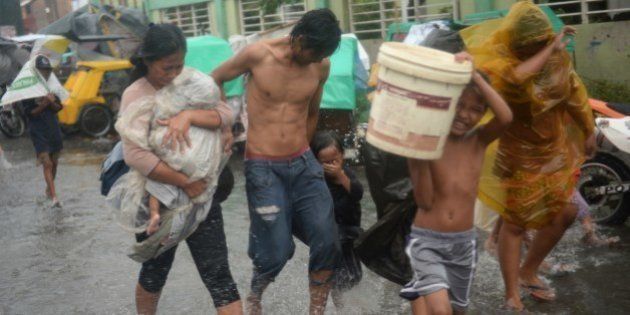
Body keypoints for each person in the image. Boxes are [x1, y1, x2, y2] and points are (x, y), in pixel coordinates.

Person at [463, 1, 596, 310]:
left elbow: (573, 91)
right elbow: (514, 80)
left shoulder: (556, 59)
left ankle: (529, 269)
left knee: (565, 213)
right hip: (517, 155)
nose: (536, 46)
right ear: (516, 41)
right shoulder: (502, 62)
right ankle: (511, 292)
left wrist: (587, 129)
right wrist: (549, 49)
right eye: (531, 43)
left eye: (540, 41)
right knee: (515, 223)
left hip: (553, 152)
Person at [212, 9, 342, 315]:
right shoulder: (258, 55)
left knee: (327, 240)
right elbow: (215, 78)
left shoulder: (320, 65)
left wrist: (307, 153)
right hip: (263, 167)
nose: (314, 59)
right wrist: (225, 127)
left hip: (303, 163)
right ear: (300, 37)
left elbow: (311, 112)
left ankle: (316, 311)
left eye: (320, 55)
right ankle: (256, 294)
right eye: (312, 51)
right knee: (276, 252)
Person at [118, 24, 241, 315]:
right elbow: (135, 155)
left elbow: (225, 113)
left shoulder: (192, 82)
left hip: (203, 195)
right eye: (166, 68)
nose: (174, 74)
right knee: (155, 272)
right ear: (148, 61)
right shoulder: (136, 95)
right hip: (157, 198)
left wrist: (190, 115)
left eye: (179, 65)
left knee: (218, 274)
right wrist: (184, 182)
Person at [400, 52, 513, 315]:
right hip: (426, 241)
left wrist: (473, 75)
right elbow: (425, 200)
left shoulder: (479, 140)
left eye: (476, 109)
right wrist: (419, 159)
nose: (465, 115)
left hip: (464, 243)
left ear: (484, 113)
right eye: (458, 105)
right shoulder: (429, 143)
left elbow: (506, 117)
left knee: (457, 310)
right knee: (441, 311)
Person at [310, 130, 364, 308]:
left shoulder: (347, 174)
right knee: (337, 272)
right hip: (332, 234)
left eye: (335, 160)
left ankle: (337, 289)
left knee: (355, 275)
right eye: (325, 162)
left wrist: (340, 175)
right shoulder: (317, 180)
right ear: (316, 162)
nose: (331, 165)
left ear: (342, 156)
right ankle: (337, 301)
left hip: (351, 231)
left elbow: (357, 193)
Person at [21, 55, 64, 207]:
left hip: (53, 128)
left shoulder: (52, 87)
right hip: (38, 131)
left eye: (47, 70)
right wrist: (43, 104)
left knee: (55, 163)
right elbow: (29, 114)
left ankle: (49, 190)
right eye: (42, 70)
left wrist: (51, 103)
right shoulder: (27, 89)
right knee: (47, 164)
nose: (45, 73)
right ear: (36, 72)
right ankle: (54, 198)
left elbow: (59, 108)